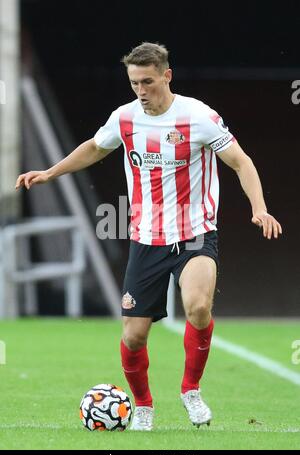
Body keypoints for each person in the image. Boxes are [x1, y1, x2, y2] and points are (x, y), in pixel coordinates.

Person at [15, 42, 282, 431]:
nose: (141, 91)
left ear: (166, 76)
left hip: (195, 235)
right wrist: (50, 173)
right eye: (134, 83)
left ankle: (191, 391)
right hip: (146, 239)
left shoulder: (199, 117)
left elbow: (241, 161)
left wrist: (259, 207)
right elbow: (94, 147)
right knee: (135, 336)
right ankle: (142, 406)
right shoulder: (124, 118)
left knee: (197, 307)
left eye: (148, 82)